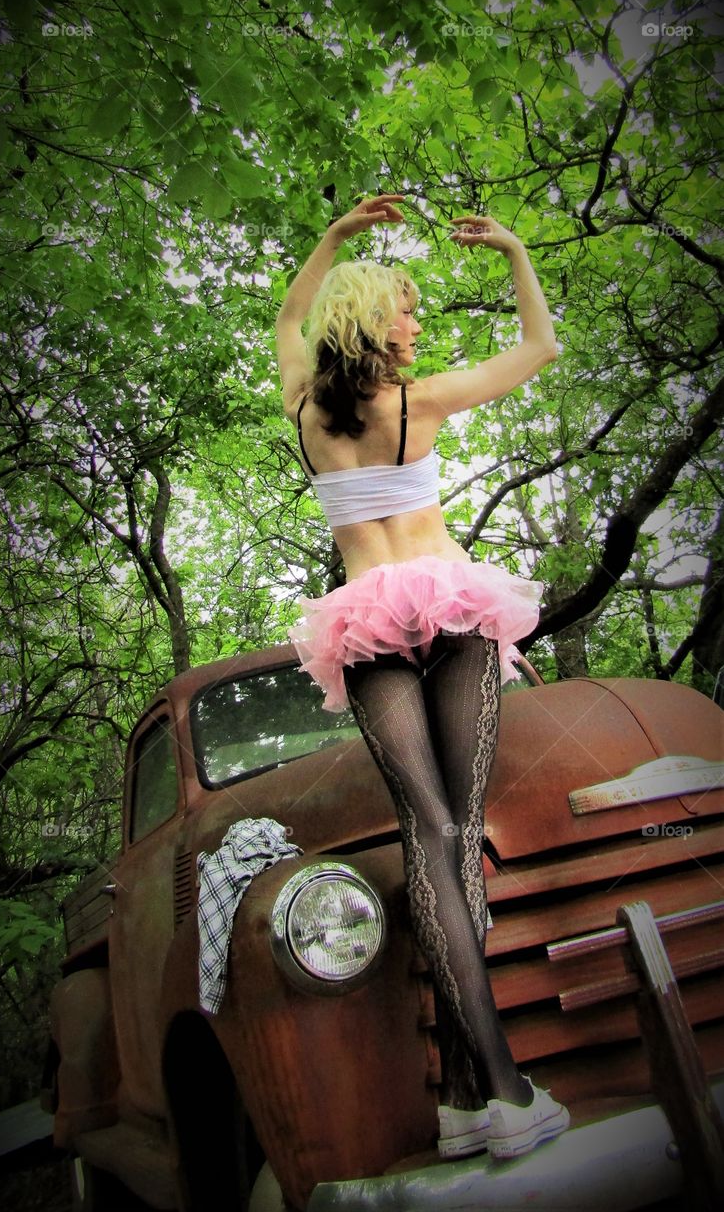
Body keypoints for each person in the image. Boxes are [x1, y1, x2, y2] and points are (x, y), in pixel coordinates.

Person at [276, 194, 570, 1162]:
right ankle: (509, 1087)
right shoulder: (423, 401)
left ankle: (456, 1097)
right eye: (404, 309)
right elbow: (539, 349)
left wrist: (331, 242)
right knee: (454, 834)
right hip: (451, 615)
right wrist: (518, 249)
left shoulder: (305, 409)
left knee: (431, 835)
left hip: (364, 623)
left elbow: (287, 321)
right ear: (370, 317)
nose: (415, 325)